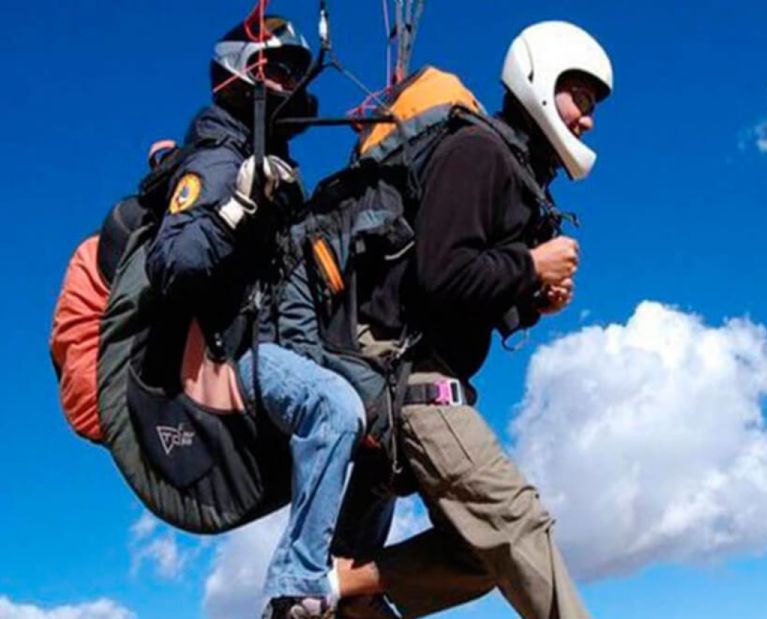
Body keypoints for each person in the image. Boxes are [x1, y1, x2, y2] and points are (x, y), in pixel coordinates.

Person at [332, 20, 614, 619]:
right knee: (517, 524)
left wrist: (533, 298)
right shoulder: (478, 151)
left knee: (479, 555)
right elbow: (441, 275)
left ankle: (335, 584)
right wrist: (529, 264)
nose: (587, 119)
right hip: (413, 385)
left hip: (422, 386)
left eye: (592, 107)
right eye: (579, 99)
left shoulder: (510, 170)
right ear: (538, 80)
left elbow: (467, 289)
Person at [144, 16, 365, 619]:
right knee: (336, 407)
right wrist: (237, 207)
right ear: (246, 75)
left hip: (282, 346)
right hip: (231, 357)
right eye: (280, 70)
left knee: (379, 427)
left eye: (298, 70)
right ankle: (297, 584)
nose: (292, 82)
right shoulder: (218, 158)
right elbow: (174, 262)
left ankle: (345, 583)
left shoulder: (274, 165)